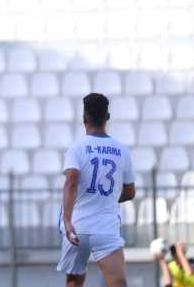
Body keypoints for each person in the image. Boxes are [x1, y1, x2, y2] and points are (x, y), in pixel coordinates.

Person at [57, 93, 136, 287]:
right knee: (117, 282)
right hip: (106, 227)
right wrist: (105, 198)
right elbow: (130, 192)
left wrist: (67, 221)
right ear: (107, 118)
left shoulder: (76, 148)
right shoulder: (121, 150)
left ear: (84, 118)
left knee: (73, 281)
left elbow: (71, 182)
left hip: (77, 226)